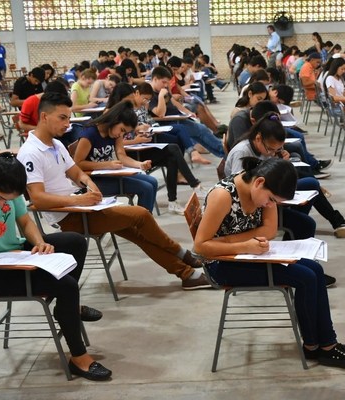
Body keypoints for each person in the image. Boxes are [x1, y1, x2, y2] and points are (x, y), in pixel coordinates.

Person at [16, 92, 210, 290]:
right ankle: (183, 255)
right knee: (141, 214)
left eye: (68, 117)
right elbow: (37, 199)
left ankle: (188, 275)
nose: (68, 124)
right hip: (68, 217)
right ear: (44, 117)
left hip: (81, 206)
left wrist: (90, 187)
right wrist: (80, 201)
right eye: (63, 118)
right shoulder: (31, 153)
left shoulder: (56, 144)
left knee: (138, 232)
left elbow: (76, 173)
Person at [194, 157, 345, 368]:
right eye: (271, 200)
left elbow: (269, 231)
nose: (270, 205)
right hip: (222, 265)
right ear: (259, 182)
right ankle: (317, 346)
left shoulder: (263, 188)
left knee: (315, 269)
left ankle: (324, 344)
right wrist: (244, 245)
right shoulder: (223, 196)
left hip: (248, 255)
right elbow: (201, 246)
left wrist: (230, 240)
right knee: (305, 277)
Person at [0, 154, 111, 381]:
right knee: (67, 286)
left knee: (75, 242)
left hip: (15, 253)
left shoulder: (7, 188)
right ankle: (78, 358)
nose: (2, 204)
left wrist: (39, 242)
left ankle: (66, 308)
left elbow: (25, 221)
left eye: (7, 201)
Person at [225, 111, 345, 239]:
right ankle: (303, 230)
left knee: (311, 184)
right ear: (258, 138)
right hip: (257, 205)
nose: (271, 153)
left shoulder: (263, 150)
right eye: (270, 149)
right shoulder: (242, 153)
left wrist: (279, 162)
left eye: (276, 149)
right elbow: (241, 191)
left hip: (268, 196)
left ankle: (335, 222)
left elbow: (268, 176)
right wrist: (274, 199)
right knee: (305, 221)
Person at [104, 82, 208, 214]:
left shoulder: (127, 110)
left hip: (141, 146)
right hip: (132, 153)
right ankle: (194, 185)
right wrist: (135, 139)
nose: (131, 102)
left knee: (172, 156)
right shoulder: (111, 113)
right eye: (128, 99)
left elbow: (130, 132)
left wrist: (141, 132)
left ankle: (173, 202)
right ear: (120, 98)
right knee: (173, 148)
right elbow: (116, 144)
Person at [71, 101, 159, 213]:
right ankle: (141, 225)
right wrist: (106, 165)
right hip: (92, 181)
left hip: (109, 175)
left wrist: (139, 164)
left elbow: (121, 155)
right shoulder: (89, 135)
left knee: (152, 181)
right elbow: (78, 164)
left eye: (125, 132)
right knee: (146, 188)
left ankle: (143, 223)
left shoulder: (114, 133)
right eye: (122, 130)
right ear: (114, 120)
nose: (121, 134)